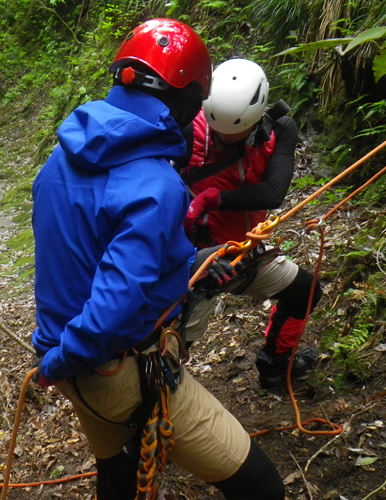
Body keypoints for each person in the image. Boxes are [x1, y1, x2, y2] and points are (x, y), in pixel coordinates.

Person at [31, 19, 285, 500]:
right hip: (110, 368)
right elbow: (114, 307)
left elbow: (76, 256)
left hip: (69, 355)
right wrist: (61, 362)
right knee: (263, 487)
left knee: (119, 474)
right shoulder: (155, 183)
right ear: (188, 99)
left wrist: (51, 351)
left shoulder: (59, 160)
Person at [177, 58, 323, 389]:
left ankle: (275, 367)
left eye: (234, 133)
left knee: (305, 291)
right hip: (195, 260)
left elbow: (273, 193)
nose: (223, 139)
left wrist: (214, 198)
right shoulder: (189, 130)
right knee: (175, 342)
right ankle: (151, 403)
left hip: (243, 250)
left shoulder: (280, 129)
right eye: (218, 132)